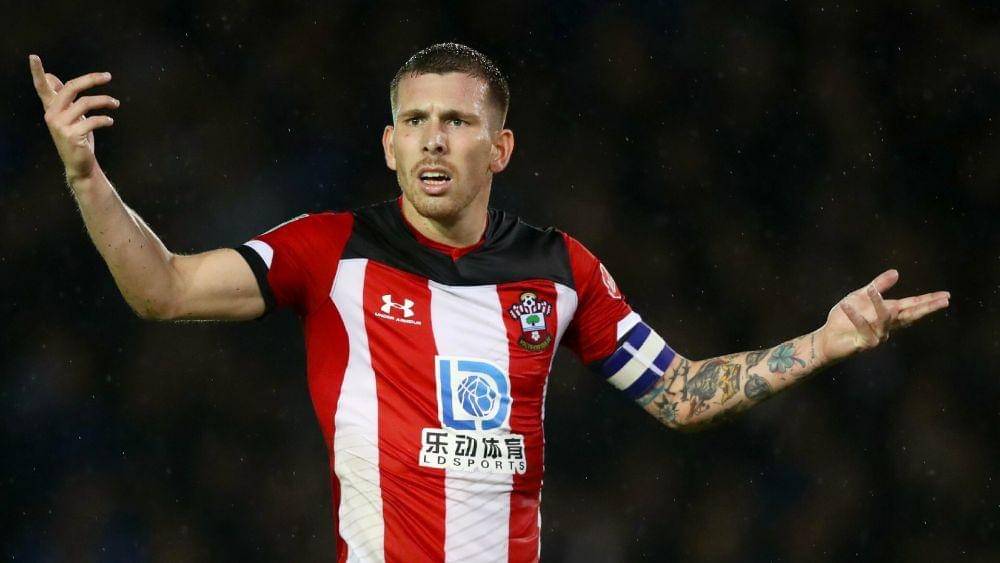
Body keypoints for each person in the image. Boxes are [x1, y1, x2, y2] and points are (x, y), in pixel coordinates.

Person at [28, 43, 950, 563]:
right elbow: (164, 289)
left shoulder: (561, 269)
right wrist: (85, 177)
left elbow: (679, 393)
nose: (434, 140)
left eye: (458, 121)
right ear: (390, 146)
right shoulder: (330, 248)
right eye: (416, 122)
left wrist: (824, 342)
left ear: (499, 148)